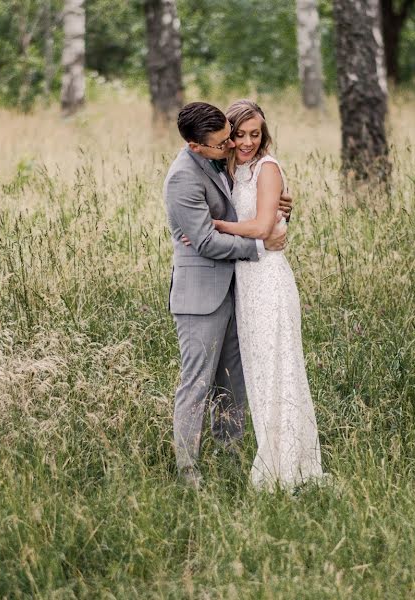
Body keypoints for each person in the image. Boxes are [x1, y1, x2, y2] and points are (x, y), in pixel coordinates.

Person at [163, 101, 293, 488]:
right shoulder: (182, 179)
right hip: (200, 297)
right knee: (197, 384)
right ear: (194, 145)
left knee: (232, 384)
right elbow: (204, 240)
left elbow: (253, 207)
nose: (231, 148)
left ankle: (230, 462)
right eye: (221, 144)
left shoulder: (223, 157)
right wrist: (261, 246)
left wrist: (282, 211)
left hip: (240, 290)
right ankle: (189, 473)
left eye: (229, 138)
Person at [211, 99, 324, 490]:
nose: (246, 142)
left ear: (264, 134)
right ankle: (273, 454)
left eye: (254, 134)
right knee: (259, 375)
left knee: (281, 369)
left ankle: (290, 465)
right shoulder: (228, 169)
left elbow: (261, 227)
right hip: (245, 284)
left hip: (269, 281)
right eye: (239, 134)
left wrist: (215, 226)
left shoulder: (268, 167)